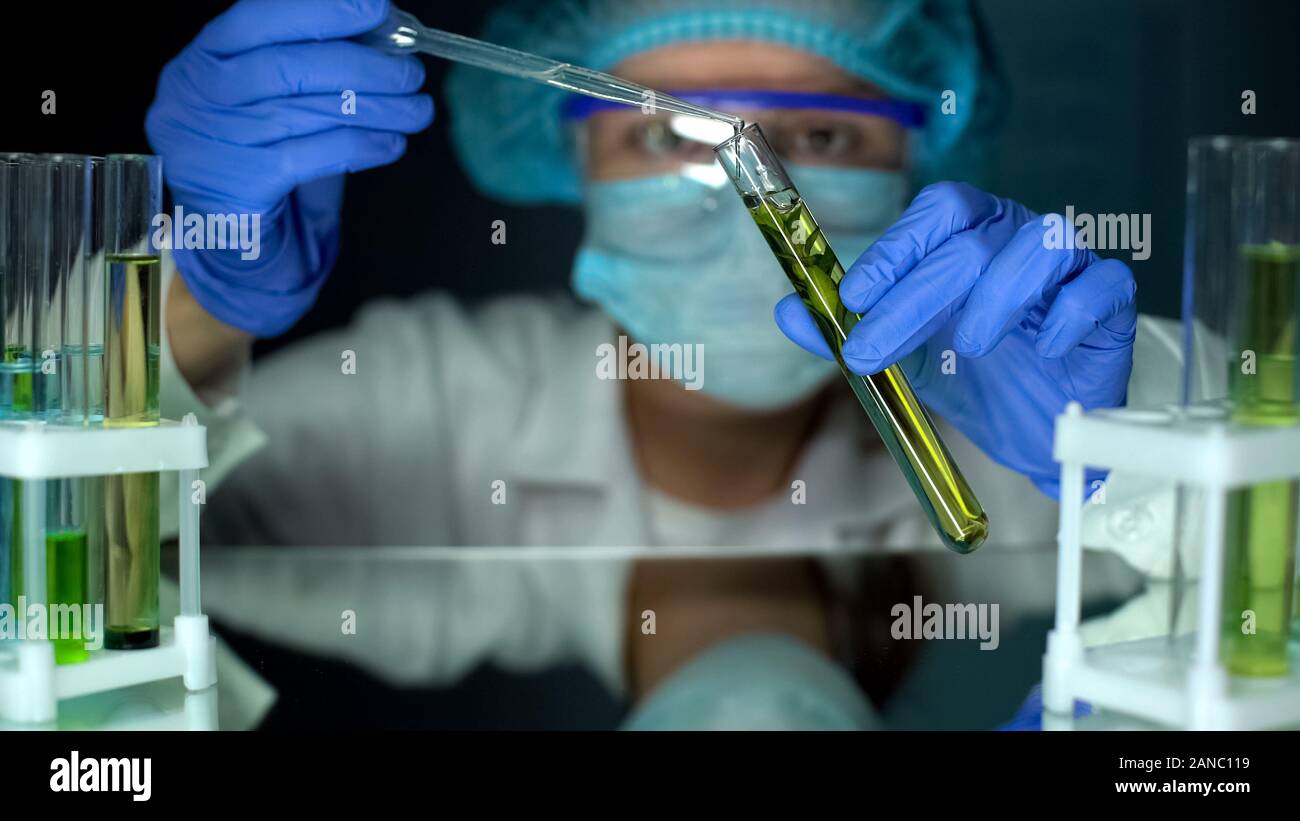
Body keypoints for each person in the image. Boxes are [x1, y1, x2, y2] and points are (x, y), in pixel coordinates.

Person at [147, 0, 1177, 726]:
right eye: (665, 132)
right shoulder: (426, 406)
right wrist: (199, 300)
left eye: (819, 128)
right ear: (568, 158)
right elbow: (74, 567)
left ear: (925, 163)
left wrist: (1153, 427)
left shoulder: (1029, 408)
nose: (744, 181)